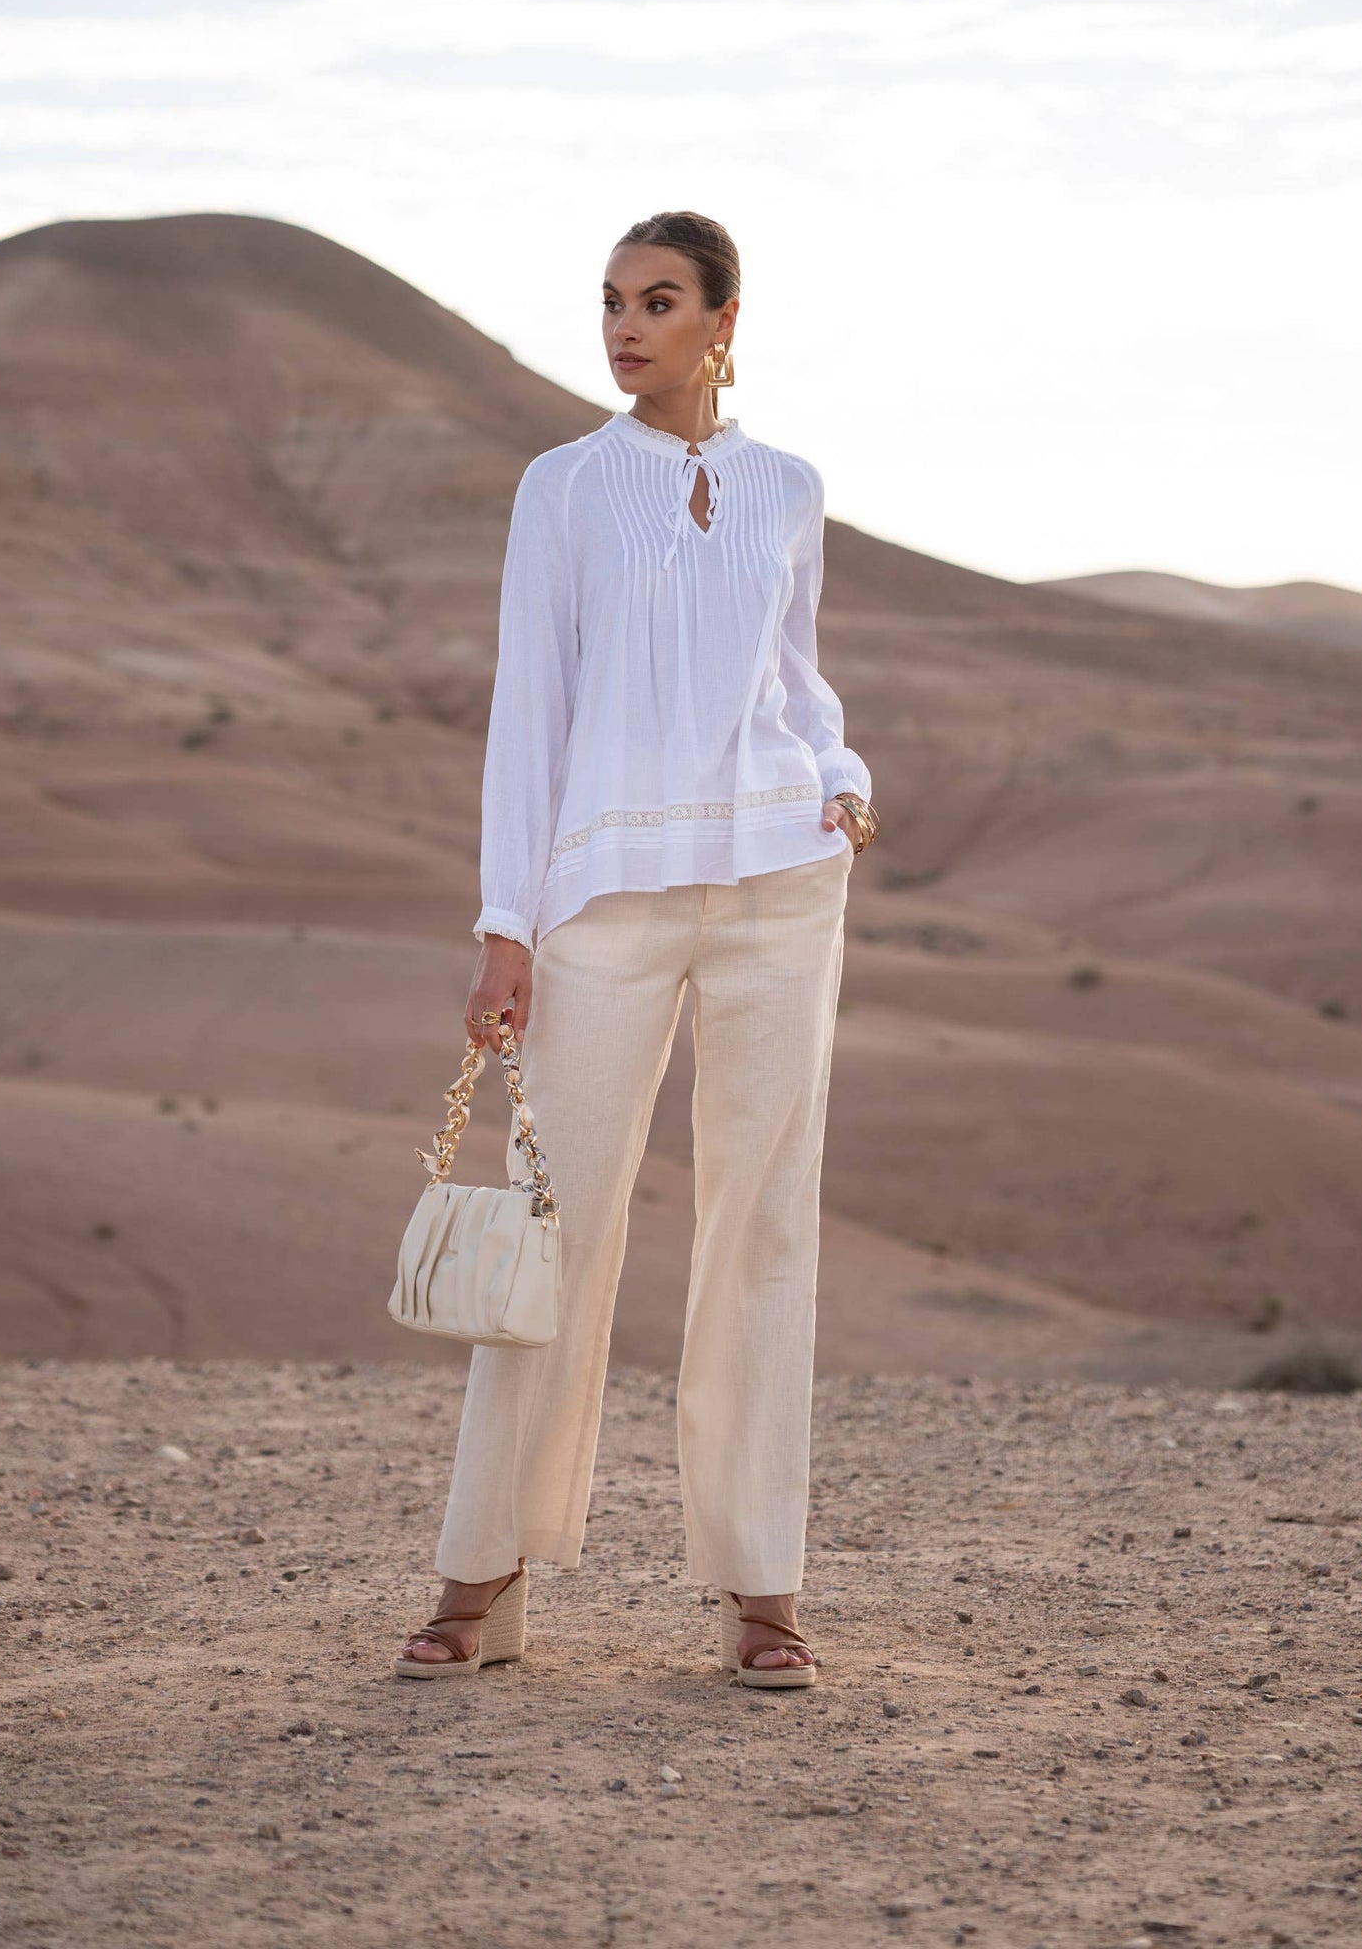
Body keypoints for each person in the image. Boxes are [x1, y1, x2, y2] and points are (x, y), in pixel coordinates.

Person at [396, 209, 878, 1689]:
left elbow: (790, 676)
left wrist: (841, 775)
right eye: (610, 302)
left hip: (779, 881)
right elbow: (527, 711)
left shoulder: (788, 488)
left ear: (723, 320)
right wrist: (503, 924)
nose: (623, 327)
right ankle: (484, 1570)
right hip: (604, 896)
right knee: (560, 1220)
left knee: (762, 1224)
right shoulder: (562, 489)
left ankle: (761, 1590)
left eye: (657, 302)